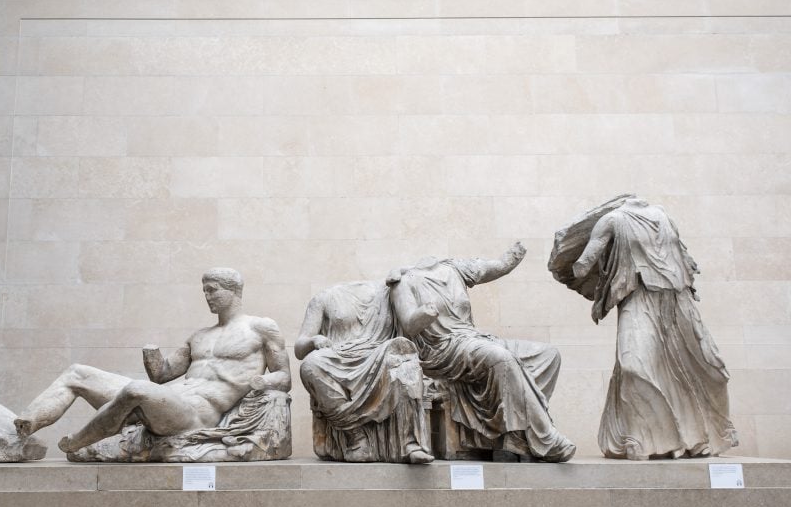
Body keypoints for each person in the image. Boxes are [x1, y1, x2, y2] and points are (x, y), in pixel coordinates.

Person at [14, 268, 292, 454]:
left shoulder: (260, 328)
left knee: (136, 390)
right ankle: (26, 424)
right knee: (78, 373)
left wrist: (262, 380)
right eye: (204, 290)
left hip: (198, 415)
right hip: (167, 400)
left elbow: (284, 376)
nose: (207, 296)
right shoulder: (200, 336)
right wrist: (152, 355)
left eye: (213, 290)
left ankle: (77, 441)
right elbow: (162, 376)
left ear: (233, 291)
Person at [572, 197, 737, 459]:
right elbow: (584, 262)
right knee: (633, 366)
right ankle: (644, 438)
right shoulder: (613, 220)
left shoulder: (663, 216)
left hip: (677, 301)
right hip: (638, 297)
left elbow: (682, 255)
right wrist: (581, 264)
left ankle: (696, 437)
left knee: (709, 368)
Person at [388, 244, 575, 462]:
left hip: (473, 340)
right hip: (442, 350)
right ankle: (545, 437)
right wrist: (425, 314)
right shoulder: (403, 281)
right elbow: (409, 324)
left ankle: (516, 436)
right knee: (500, 358)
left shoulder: (455, 269)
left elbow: (499, 266)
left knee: (548, 355)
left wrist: (516, 253)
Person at [296, 280, 433, 463]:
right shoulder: (323, 298)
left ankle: (410, 444)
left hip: (380, 355)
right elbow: (299, 348)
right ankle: (355, 436)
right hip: (339, 357)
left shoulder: (392, 293)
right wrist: (314, 340)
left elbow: (411, 324)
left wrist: (425, 313)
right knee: (310, 364)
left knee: (404, 357)